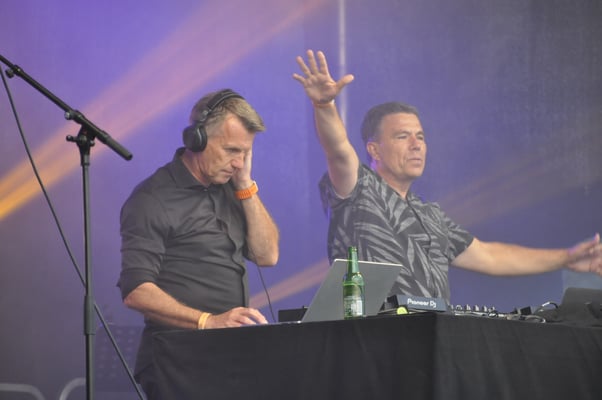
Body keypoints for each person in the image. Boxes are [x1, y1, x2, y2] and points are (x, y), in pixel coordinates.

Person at [293, 49, 602, 302]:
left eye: (420, 137)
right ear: (374, 149)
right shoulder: (359, 187)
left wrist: (566, 257)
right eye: (402, 136)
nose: (416, 145)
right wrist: (324, 104)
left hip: (430, 341)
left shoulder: (431, 215)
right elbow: (338, 150)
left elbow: (490, 256)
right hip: (368, 339)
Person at [118, 89, 279, 399]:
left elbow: (267, 255)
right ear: (197, 139)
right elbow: (136, 290)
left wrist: (246, 186)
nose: (238, 162)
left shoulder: (231, 186)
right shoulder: (153, 198)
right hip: (178, 361)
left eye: (245, 153)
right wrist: (208, 321)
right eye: (231, 150)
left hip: (228, 357)